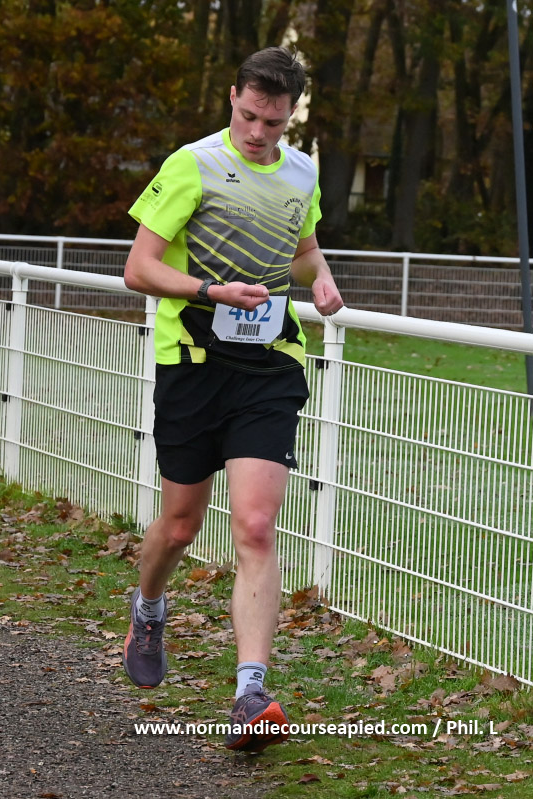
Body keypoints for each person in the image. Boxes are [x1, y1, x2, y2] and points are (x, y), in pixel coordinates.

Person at [122, 45, 343, 753]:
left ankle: (250, 694)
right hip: (191, 362)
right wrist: (210, 291)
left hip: (269, 365)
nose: (257, 132)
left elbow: (301, 250)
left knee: (254, 525)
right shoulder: (193, 164)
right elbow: (138, 269)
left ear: (290, 117)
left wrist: (321, 279)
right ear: (233, 97)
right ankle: (148, 606)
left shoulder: (302, 172)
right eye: (249, 116)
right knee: (181, 527)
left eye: (272, 123)